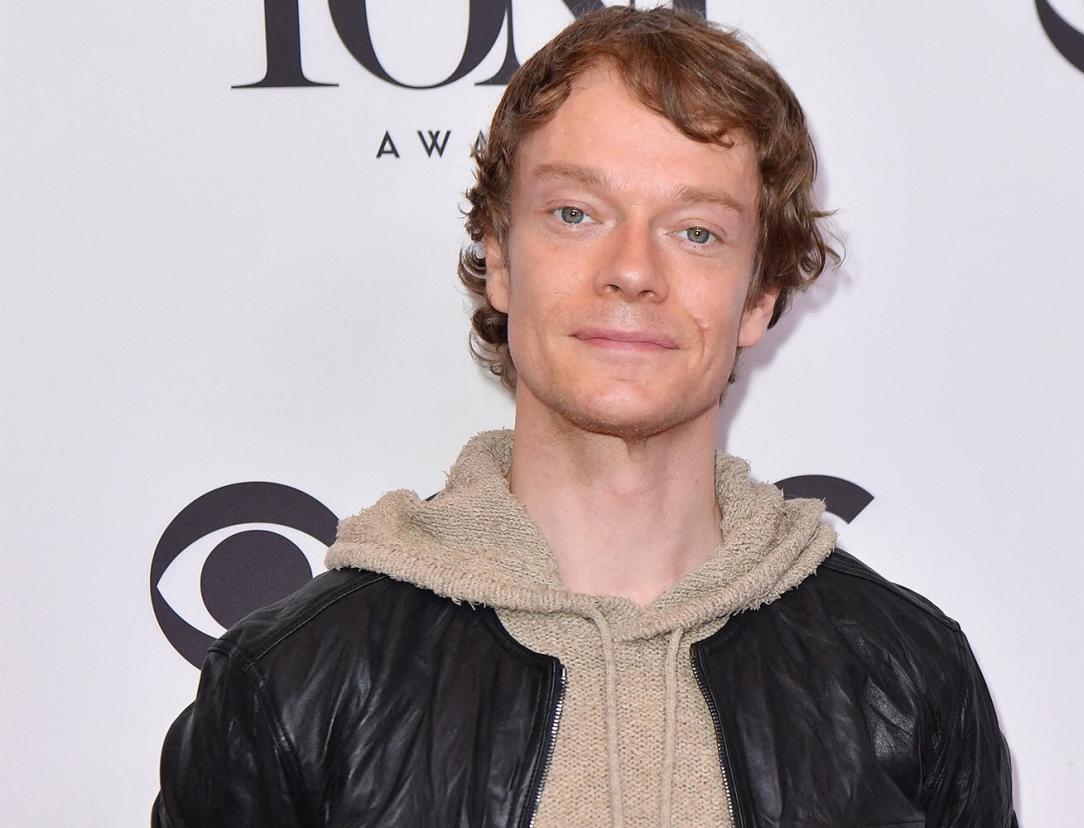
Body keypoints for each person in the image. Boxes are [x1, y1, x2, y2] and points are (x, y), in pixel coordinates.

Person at [154, 7, 1017, 827]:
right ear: (497, 257)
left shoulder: (907, 675)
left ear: (760, 296)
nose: (632, 271)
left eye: (697, 231)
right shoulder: (291, 684)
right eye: (576, 214)